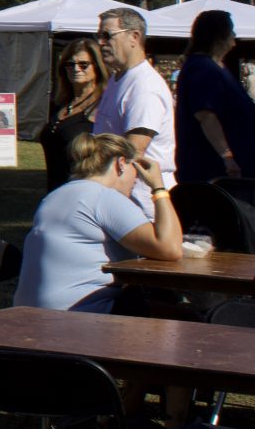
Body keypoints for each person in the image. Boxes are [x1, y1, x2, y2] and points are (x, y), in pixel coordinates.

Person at [16, 133, 182, 313]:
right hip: (79, 315)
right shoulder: (104, 197)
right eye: (135, 169)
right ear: (121, 164)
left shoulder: (54, 197)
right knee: (187, 319)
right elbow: (170, 248)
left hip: (31, 312)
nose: (136, 178)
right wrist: (158, 187)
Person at [93, 7, 177, 213]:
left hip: (142, 201)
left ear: (134, 37)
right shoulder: (118, 78)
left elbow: (132, 151)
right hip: (122, 194)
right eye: (98, 36)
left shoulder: (144, 86)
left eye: (107, 36)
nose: (100, 43)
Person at [175, 9, 255, 185]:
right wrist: (227, 156)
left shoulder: (214, 67)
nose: (234, 36)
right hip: (216, 173)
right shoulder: (202, 69)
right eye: (231, 30)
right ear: (219, 36)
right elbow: (206, 115)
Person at [38, 40, 108, 193]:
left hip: (85, 192)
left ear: (97, 66)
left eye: (83, 64)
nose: (76, 69)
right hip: (55, 190)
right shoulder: (59, 104)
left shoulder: (103, 105)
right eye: (70, 65)